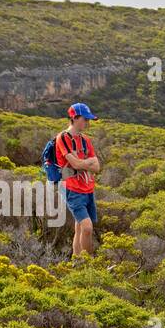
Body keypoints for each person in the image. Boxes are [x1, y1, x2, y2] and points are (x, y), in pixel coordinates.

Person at [55, 102, 102, 258]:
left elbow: (97, 167)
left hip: (87, 188)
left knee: (80, 228)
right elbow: (75, 164)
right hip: (72, 189)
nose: (87, 123)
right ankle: (89, 263)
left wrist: (82, 164)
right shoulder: (63, 138)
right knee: (87, 228)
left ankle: (76, 262)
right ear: (74, 118)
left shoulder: (85, 140)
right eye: (84, 119)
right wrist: (86, 163)